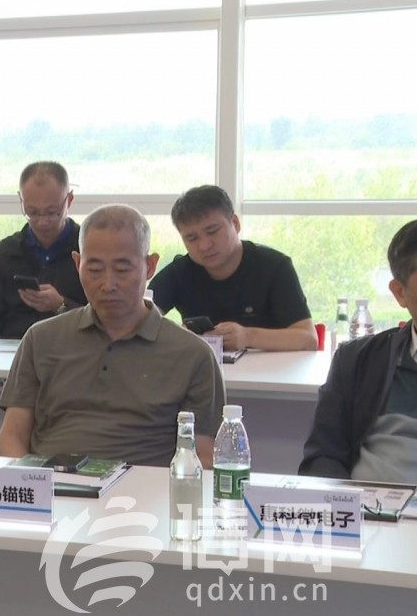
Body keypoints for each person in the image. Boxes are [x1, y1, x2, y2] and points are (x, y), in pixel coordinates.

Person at [0, 204, 225, 467]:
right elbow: (11, 435)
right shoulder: (41, 339)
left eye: (123, 269)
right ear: (78, 264)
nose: (108, 284)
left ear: (150, 266)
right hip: (54, 482)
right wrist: (30, 482)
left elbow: (202, 455)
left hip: (146, 487)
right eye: (94, 270)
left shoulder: (193, 354)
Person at [300, 220, 417, 481]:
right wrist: (342, 501)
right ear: (400, 292)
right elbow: (323, 457)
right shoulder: (357, 360)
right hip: (369, 502)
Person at [149, 184, 318, 351]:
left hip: (272, 368)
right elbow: (140, 323)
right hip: (203, 368)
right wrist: (178, 336)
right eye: (192, 238)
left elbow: (308, 339)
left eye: (212, 231)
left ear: (235, 224)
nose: (204, 245)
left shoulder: (274, 266)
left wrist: (248, 336)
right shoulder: (179, 273)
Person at [0, 161, 88, 339]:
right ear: (21, 201)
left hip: (73, 350)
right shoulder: (3, 255)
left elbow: (106, 320)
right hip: (13, 350)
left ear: (69, 200)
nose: (42, 222)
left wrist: (62, 305)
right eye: (32, 212)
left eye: (51, 212)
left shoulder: (89, 251)